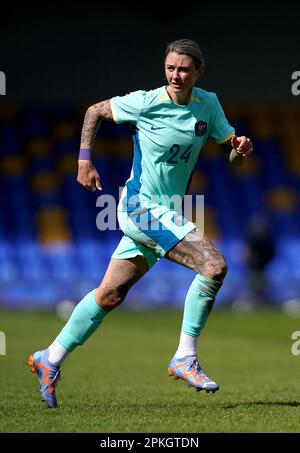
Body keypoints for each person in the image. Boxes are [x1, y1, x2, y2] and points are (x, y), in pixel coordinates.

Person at [27, 39, 253, 408]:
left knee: (109, 295)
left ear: (199, 71)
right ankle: (184, 356)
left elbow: (233, 157)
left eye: (183, 68)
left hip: (167, 212)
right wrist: (84, 160)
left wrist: (239, 151)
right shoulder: (147, 102)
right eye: (170, 68)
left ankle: (48, 358)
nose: (175, 75)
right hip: (139, 208)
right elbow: (94, 112)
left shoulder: (208, 105)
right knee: (214, 266)